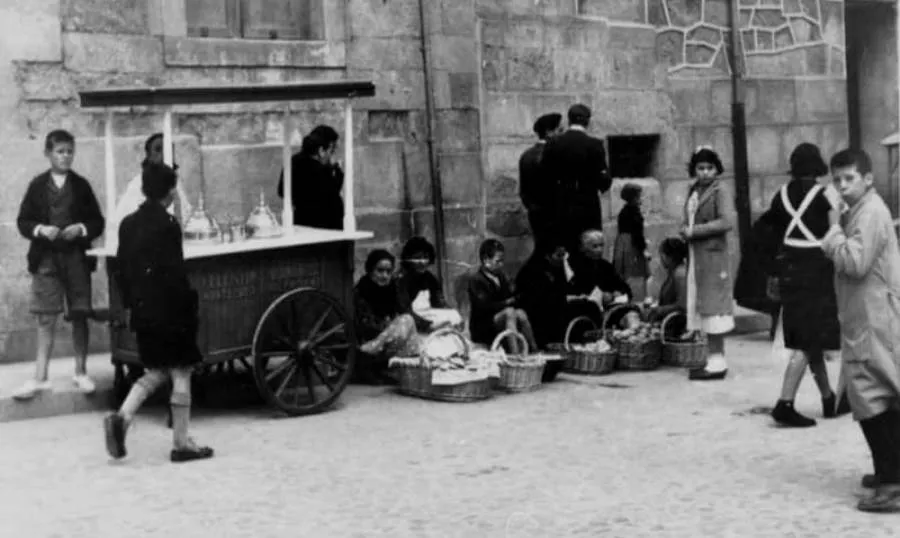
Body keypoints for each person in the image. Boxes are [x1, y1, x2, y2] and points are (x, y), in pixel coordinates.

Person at [104, 162, 213, 463]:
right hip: (171, 311)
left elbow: (122, 271)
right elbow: (175, 274)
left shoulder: (128, 224)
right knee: (181, 369)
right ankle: (181, 442)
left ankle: (123, 418)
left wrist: (132, 306)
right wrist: (189, 308)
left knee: (157, 370)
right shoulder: (168, 225)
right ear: (169, 192)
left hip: (143, 310)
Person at [820, 148, 900, 512]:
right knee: (883, 394)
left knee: (870, 399)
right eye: (837, 180)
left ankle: (891, 483)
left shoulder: (867, 213)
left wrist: (833, 230)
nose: (842, 186)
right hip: (870, 316)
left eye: (849, 178)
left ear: (868, 179)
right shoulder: (866, 209)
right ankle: (890, 471)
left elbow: (855, 262)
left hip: (870, 320)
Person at [13, 130, 105, 400]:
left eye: (69, 151)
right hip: (45, 259)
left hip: (76, 258)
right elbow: (23, 221)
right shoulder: (37, 185)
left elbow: (97, 221)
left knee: (79, 314)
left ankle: (81, 372)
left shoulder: (82, 185)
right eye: (59, 151)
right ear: (48, 153)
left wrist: (80, 228)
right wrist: (41, 230)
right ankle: (40, 377)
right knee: (45, 316)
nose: (65, 157)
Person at [761, 143, 843, 428]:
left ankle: (828, 397)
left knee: (809, 337)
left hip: (788, 268)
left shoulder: (779, 195)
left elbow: (770, 238)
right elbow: (836, 233)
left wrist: (772, 274)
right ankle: (785, 403)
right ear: (818, 165)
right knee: (808, 339)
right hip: (817, 270)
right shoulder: (828, 193)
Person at [681, 146, 735, 381]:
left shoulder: (720, 190)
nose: (705, 172)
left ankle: (717, 361)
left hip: (712, 257)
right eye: (700, 168)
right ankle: (712, 357)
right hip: (697, 255)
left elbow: (726, 222)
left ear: (717, 169)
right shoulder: (694, 190)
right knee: (704, 306)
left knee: (714, 308)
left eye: (709, 168)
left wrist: (694, 231)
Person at [540, 104, 611, 253]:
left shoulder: (553, 144)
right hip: (588, 208)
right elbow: (604, 182)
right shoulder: (594, 145)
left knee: (566, 252)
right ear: (587, 121)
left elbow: (544, 179)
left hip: (561, 208)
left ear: (569, 120)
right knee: (589, 252)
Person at [111, 133, 192, 238]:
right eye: (158, 150)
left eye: (167, 150)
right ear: (148, 155)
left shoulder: (176, 184)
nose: (163, 154)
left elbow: (185, 216)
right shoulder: (137, 184)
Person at [355, 249, 416, 384]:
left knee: (410, 324)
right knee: (406, 321)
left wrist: (430, 324)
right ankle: (371, 367)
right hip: (367, 343)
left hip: (384, 339)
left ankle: (391, 368)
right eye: (380, 271)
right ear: (370, 270)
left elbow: (405, 310)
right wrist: (389, 326)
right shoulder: (362, 291)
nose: (384, 276)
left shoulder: (392, 289)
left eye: (388, 272)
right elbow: (365, 326)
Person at [467, 239, 537, 352]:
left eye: (502, 261)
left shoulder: (501, 277)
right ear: (486, 260)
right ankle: (515, 353)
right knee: (509, 313)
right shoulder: (476, 280)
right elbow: (485, 307)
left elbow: (509, 295)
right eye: (497, 261)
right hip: (483, 325)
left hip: (500, 318)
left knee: (520, 313)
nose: (501, 264)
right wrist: (506, 303)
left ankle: (534, 349)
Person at [516, 241, 570, 381]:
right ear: (547, 256)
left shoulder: (557, 269)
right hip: (535, 316)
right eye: (558, 255)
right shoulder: (532, 271)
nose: (562, 259)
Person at [276, 125, 344, 230]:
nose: (332, 156)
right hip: (326, 229)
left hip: (300, 224)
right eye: (332, 151)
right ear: (321, 151)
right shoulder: (322, 169)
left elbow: (282, 191)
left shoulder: (293, 161)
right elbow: (332, 192)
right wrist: (336, 170)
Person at [565, 229, 631, 326]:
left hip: (610, 309)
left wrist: (618, 292)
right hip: (588, 314)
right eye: (595, 246)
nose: (600, 250)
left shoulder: (606, 266)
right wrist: (600, 296)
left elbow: (622, 285)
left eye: (601, 245)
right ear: (584, 248)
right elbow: (578, 291)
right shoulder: (576, 266)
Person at [396, 236, 461, 333]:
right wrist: (427, 325)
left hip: (429, 316)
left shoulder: (430, 278)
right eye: (417, 258)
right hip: (413, 322)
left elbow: (439, 302)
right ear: (409, 259)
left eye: (425, 257)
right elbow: (405, 312)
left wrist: (453, 315)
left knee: (454, 315)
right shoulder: (401, 281)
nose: (422, 262)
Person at [519, 113, 564, 251]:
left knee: (541, 249)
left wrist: (533, 207)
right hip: (556, 214)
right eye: (559, 131)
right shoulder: (557, 154)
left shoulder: (526, 155)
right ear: (549, 132)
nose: (561, 135)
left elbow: (523, 191)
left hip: (535, 214)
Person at [613, 183, 651, 302]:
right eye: (639, 197)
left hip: (622, 245)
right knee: (635, 275)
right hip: (631, 247)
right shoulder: (634, 213)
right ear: (633, 198)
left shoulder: (623, 212)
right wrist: (643, 249)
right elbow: (637, 234)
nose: (641, 200)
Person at [646, 237, 688, 323]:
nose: (660, 258)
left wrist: (659, 310)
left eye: (661, 255)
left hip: (676, 324)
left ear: (668, 257)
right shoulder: (674, 271)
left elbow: (683, 305)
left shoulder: (680, 274)